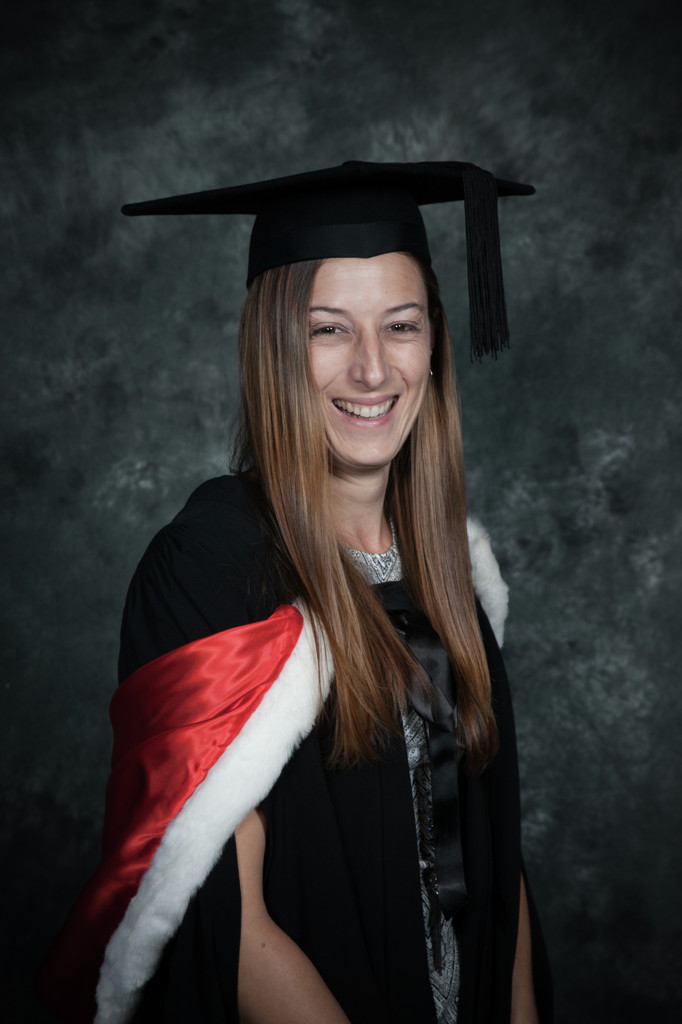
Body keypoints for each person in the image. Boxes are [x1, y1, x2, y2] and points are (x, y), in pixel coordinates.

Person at [37, 161, 553, 1024]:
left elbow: (500, 867)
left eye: (401, 325)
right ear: (273, 347)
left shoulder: (449, 573)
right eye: (328, 331)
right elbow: (227, 919)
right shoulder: (211, 572)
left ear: (433, 344)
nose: (372, 369)